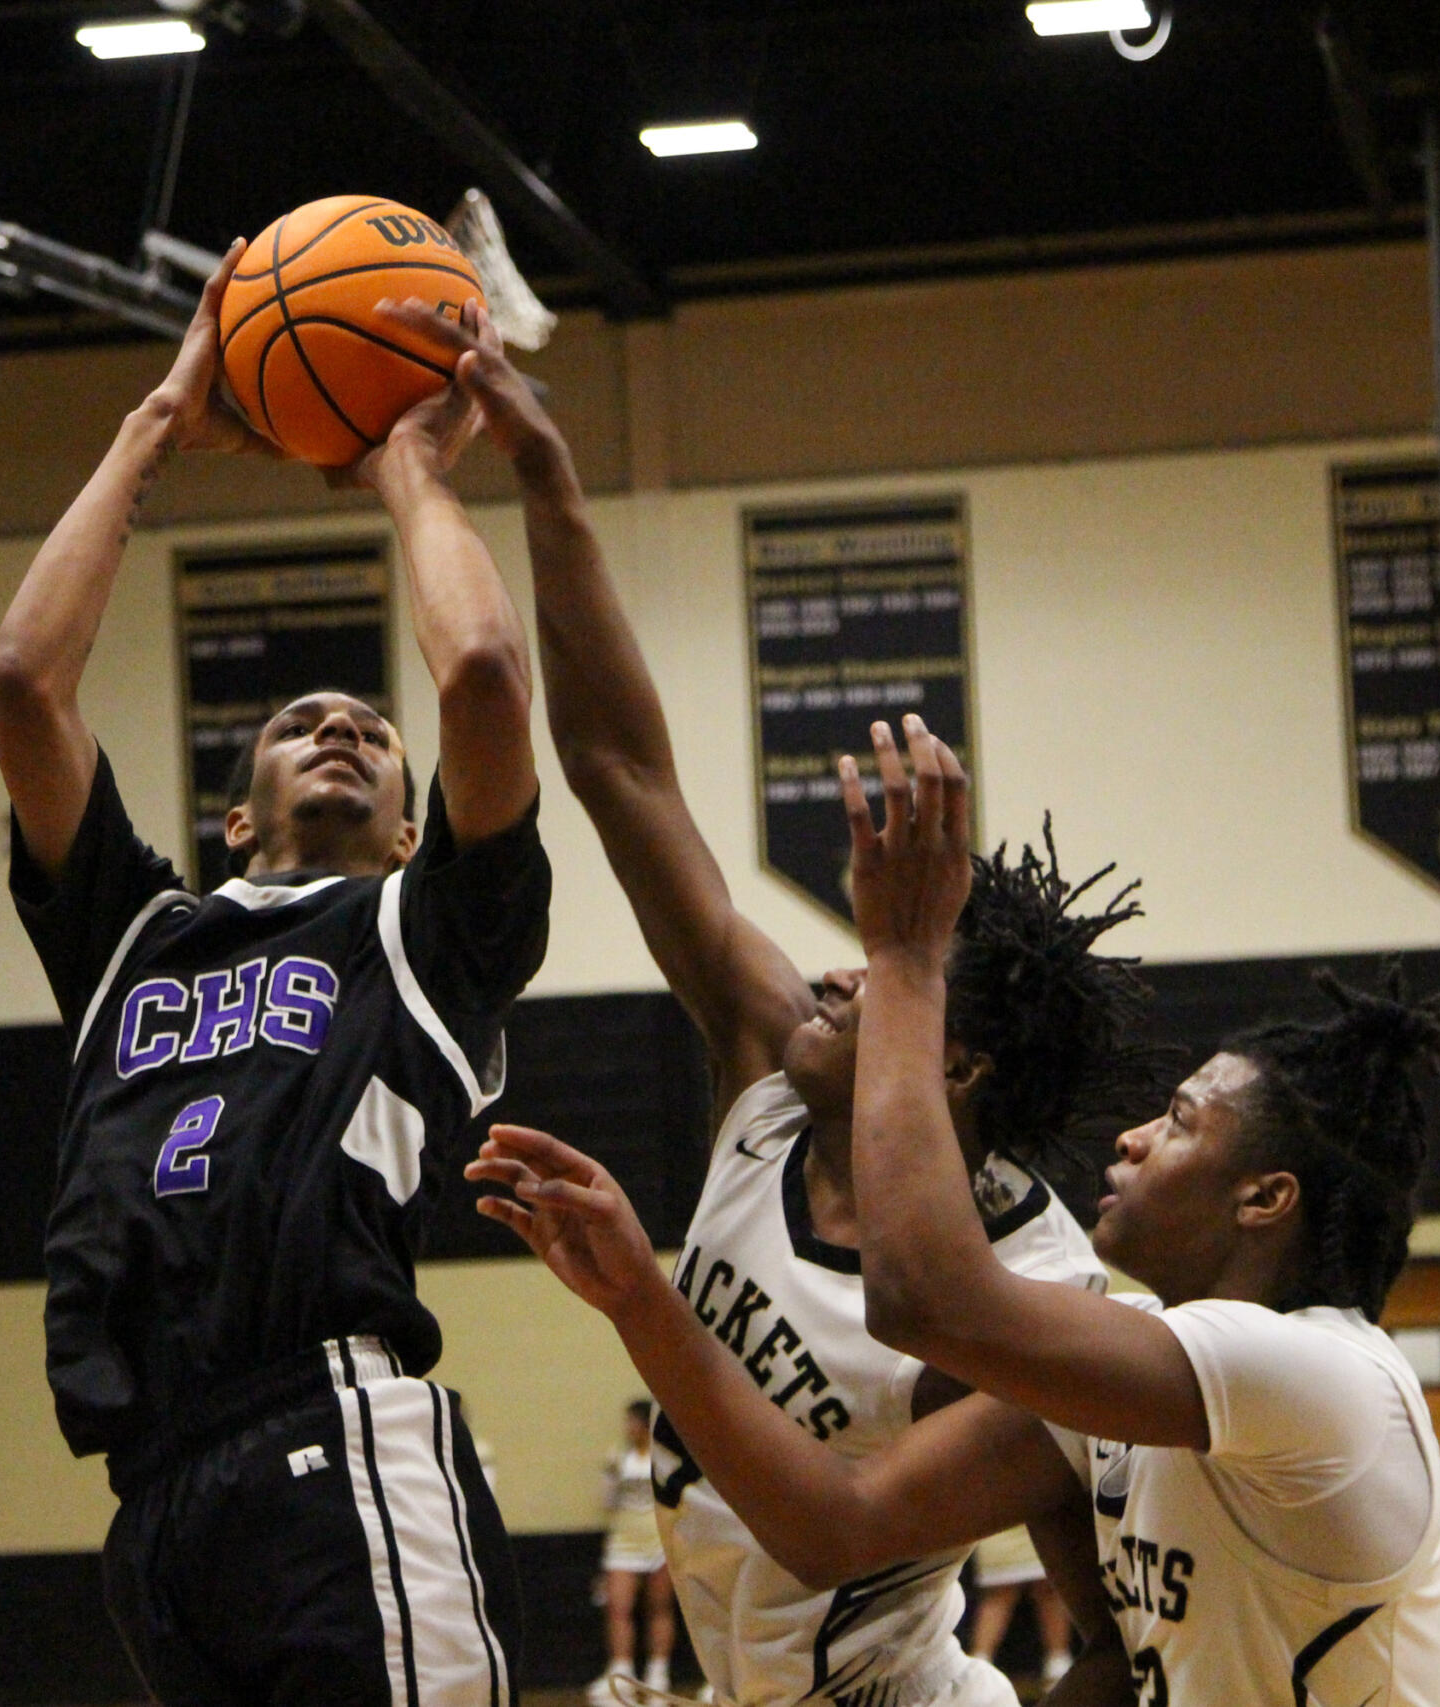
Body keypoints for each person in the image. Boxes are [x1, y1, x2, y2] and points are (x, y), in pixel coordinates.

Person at [389, 300, 1158, 1707]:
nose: (841, 976)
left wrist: (639, 1294)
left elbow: (920, 1562)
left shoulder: (1032, 1302)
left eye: (887, 970)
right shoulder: (775, 1066)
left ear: (956, 1058)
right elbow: (621, 770)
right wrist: (552, 490)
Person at [467, 717, 1440, 1707]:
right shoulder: (1119, 1378)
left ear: (1264, 1197)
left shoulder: (1326, 1379)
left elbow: (922, 1302)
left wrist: (906, 954)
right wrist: (638, 1297)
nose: (1131, 1139)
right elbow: (845, 1529)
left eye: (1177, 1122)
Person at [0, 246, 550, 1707]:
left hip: (333, 1431)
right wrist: (157, 424)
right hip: (155, 1493)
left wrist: (409, 472)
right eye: (301, 721)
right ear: (233, 820)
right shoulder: (140, 938)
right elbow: (23, 685)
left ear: (413, 830)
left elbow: (484, 675)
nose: (341, 725)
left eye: (372, 728)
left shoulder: (422, 936)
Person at [592, 1401, 677, 1704]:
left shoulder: (665, 1457)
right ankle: (621, 1672)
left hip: (660, 1540)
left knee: (660, 1607)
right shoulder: (617, 1457)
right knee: (618, 1607)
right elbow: (607, 1500)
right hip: (624, 1541)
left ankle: (658, 1674)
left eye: (633, 1421)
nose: (628, 1427)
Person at [964, 1527, 1070, 1684]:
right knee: (999, 1595)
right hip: (999, 1526)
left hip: (1041, 1526)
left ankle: (1058, 1666)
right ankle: (976, 1672)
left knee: (1050, 1591)